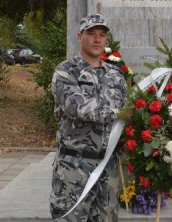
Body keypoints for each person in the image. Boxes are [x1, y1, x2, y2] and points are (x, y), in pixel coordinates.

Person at [49, 14, 127, 221]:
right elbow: (77, 108)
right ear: (79, 36)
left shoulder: (116, 75)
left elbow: (127, 111)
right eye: (91, 34)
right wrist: (119, 112)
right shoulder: (66, 71)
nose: (97, 39)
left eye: (102, 35)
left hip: (108, 166)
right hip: (75, 165)